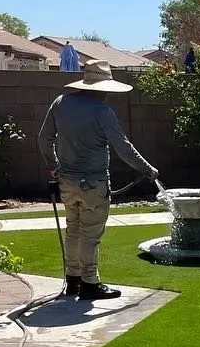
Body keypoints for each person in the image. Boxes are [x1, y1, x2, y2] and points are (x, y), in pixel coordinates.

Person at [38, 60, 160, 300]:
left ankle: (72, 280)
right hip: (93, 183)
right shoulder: (102, 112)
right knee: (91, 233)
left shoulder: (60, 103)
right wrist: (147, 169)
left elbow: (43, 139)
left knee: (73, 229)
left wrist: (53, 166)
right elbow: (123, 148)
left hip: (67, 182)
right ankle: (90, 282)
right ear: (101, 87)